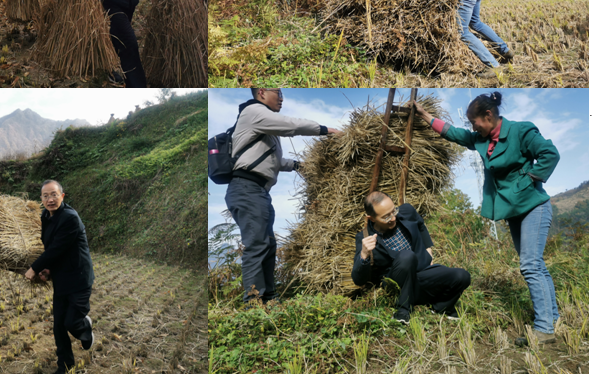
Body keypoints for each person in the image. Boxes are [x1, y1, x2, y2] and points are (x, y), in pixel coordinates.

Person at [414, 92, 560, 346]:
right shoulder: (483, 139)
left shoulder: (520, 131)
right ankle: (551, 317)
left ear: (489, 115)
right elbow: (455, 134)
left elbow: (550, 154)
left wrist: (529, 180)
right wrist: (426, 116)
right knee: (535, 265)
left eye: (475, 122)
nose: (473, 127)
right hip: (514, 211)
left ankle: (545, 329)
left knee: (530, 265)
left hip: (534, 206)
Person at [226, 88, 342, 304]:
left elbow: (273, 161)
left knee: (268, 245)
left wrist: (298, 165)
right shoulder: (254, 112)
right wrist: (327, 130)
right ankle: (253, 302)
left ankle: (269, 297)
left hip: (257, 191)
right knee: (257, 245)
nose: (282, 98)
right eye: (277, 92)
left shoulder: (263, 124)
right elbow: (292, 125)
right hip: (246, 188)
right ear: (261, 92)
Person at [351, 191, 471, 324]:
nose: (392, 218)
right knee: (407, 256)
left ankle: (440, 307)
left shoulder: (407, 211)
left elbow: (421, 225)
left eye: (393, 211)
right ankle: (403, 311)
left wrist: (428, 250)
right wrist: (364, 254)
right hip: (397, 285)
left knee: (462, 276)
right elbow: (358, 280)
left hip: (422, 275)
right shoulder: (364, 238)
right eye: (386, 217)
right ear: (371, 218)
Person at [25, 180, 95, 373]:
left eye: (54, 194)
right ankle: (65, 366)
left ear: (62, 196)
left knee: (71, 322)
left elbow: (57, 248)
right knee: (58, 327)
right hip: (61, 278)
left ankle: (84, 327)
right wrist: (47, 269)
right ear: (41, 199)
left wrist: (34, 267)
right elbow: (52, 248)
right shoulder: (46, 216)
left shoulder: (70, 217)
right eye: (46, 196)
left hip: (79, 278)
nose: (50, 199)